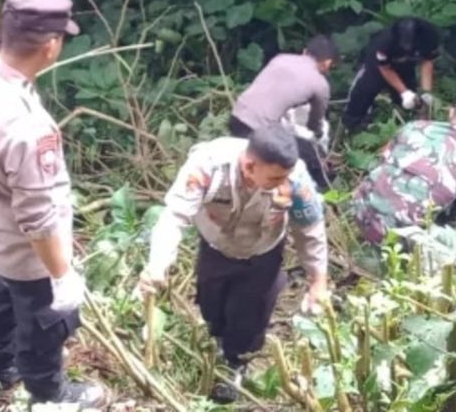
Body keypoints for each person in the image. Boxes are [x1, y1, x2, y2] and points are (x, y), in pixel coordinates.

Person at [0, 0, 104, 408]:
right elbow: (37, 218)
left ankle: (1, 373)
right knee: (43, 322)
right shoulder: (30, 128)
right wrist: (61, 274)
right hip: (26, 251)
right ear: (51, 46)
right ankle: (48, 395)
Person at [136, 125, 330, 403]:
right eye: (275, 178)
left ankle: (237, 362)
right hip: (217, 245)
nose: (281, 182)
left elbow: (310, 229)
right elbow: (174, 216)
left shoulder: (294, 177)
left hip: (264, 250)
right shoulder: (208, 166)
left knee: (250, 313)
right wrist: (158, 265)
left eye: (283, 177)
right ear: (249, 166)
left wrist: (317, 281)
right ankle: (217, 339)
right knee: (211, 304)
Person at [351, 91, 456, 245]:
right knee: (449, 238)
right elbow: (451, 218)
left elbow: (382, 160)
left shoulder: (413, 127)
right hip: (397, 238)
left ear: (451, 113)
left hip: (360, 209)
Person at [230, 35, 338, 190]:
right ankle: (323, 193)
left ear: (305, 51)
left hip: (237, 115)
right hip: (260, 130)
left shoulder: (280, 59)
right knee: (310, 155)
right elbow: (314, 123)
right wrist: (320, 141)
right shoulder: (320, 84)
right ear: (327, 63)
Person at [343, 17, 440, 131]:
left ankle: (410, 121)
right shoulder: (385, 42)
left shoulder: (430, 36)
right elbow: (385, 68)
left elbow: (427, 62)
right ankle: (354, 123)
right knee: (366, 88)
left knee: (411, 98)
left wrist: (426, 91)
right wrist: (404, 92)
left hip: (407, 65)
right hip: (378, 66)